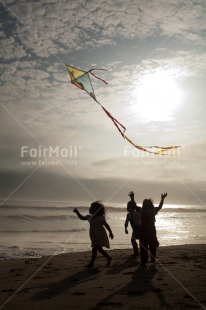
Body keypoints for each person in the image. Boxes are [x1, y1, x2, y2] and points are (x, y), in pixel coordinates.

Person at [73, 201, 114, 268]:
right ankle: (108, 258)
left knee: (95, 248)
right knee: (99, 249)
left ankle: (92, 263)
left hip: (100, 235)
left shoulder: (100, 218)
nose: (90, 209)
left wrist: (110, 232)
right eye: (90, 207)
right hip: (94, 235)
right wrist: (77, 212)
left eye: (92, 207)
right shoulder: (90, 217)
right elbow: (82, 218)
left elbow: (106, 225)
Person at [140, 193, 167, 265]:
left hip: (151, 230)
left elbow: (160, 206)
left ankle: (152, 259)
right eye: (145, 204)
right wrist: (132, 198)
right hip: (144, 230)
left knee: (152, 246)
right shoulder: (141, 210)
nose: (147, 205)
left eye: (148, 204)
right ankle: (144, 260)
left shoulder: (153, 210)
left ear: (150, 204)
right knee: (144, 246)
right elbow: (134, 206)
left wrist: (162, 199)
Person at [125, 191, 142, 257]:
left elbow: (126, 222)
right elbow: (126, 222)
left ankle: (137, 252)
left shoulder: (135, 213)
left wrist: (132, 198)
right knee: (136, 240)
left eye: (128, 207)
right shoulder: (129, 214)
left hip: (138, 228)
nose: (127, 208)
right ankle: (137, 252)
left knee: (133, 240)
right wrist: (125, 228)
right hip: (136, 229)